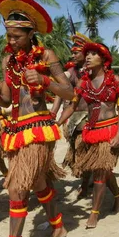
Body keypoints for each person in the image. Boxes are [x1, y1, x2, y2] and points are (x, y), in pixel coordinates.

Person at [0, 0, 74, 237]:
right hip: (16, 128)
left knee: (17, 189)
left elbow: (70, 91)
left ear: (30, 32)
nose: (11, 41)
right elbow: (10, 98)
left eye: (16, 36)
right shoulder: (8, 58)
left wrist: (45, 80)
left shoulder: (47, 56)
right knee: (37, 182)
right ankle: (58, 226)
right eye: (8, 35)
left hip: (39, 128)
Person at [57, 42, 119, 228]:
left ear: (104, 59)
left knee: (99, 172)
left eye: (93, 54)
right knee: (103, 169)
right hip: (91, 131)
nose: (87, 57)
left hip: (111, 130)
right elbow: (72, 106)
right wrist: (56, 122)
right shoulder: (83, 82)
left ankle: (94, 214)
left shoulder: (115, 80)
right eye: (87, 54)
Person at [50, 22, 92, 199]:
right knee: (76, 150)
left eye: (76, 52)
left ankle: (85, 184)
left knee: (84, 151)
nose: (72, 54)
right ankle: (85, 181)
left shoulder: (94, 72)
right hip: (73, 117)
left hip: (89, 117)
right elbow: (61, 92)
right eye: (72, 52)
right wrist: (54, 112)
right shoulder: (71, 72)